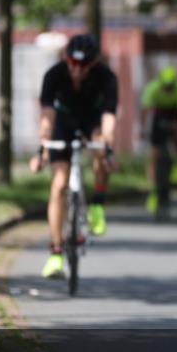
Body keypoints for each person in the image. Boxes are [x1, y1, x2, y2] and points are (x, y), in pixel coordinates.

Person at [29, 34, 118, 278]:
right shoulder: (54, 75)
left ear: (94, 63)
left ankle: (97, 204)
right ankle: (56, 253)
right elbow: (47, 115)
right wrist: (43, 148)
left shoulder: (107, 77)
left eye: (84, 66)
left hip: (92, 120)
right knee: (59, 185)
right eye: (73, 64)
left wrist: (107, 146)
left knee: (101, 145)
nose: (77, 70)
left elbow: (109, 116)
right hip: (63, 122)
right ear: (66, 59)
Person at [141, 65, 177, 217]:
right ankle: (153, 188)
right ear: (160, 83)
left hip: (173, 113)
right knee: (155, 153)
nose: (167, 90)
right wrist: (143, 130)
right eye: (165, 87)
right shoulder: (153, 88)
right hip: (159, 114)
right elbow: (145, 111)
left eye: (170, 87)